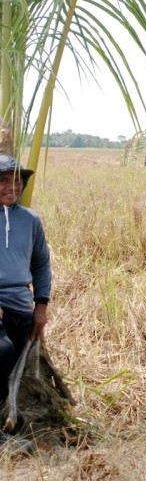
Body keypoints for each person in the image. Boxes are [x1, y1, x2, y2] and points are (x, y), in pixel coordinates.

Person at [0, 154, 51, 453]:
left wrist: (41, 306)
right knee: (2, 351)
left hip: (21, 306)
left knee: (11, 367)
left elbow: (41, 265)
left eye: (16, 179)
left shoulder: (30, 220)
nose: (11, 186)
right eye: (4, 180)